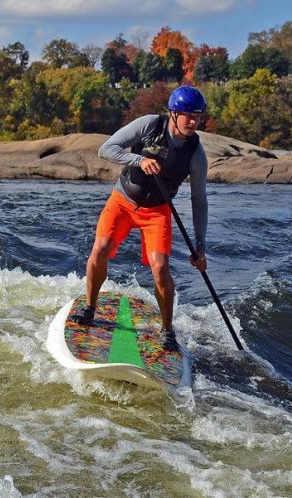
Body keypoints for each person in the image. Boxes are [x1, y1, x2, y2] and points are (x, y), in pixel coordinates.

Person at [72, 86, 209, 351]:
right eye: (186, 115)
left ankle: (167, 331)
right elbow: (106, 149)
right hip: (122, 201)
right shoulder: (149, 125)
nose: (192, 121)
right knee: (100, 249)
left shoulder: (196, 154)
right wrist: (138, 160)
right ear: (173, 113)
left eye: (197, 116)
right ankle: (90, 307)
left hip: (157, 210)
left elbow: (199, 201)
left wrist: (200, 245)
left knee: (160, 267)